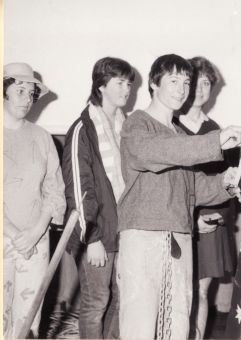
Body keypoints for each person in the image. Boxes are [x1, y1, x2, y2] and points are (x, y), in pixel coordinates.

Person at [116, 54, 241, 339]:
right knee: (140, 326)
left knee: (176, 325)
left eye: (186, 82)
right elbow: (159, 152)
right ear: (153, 84)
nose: (182, 88)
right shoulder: (137, 124)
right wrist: (217, 140)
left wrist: (226, 181)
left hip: (180, 237)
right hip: (143, 236)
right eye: (173, 80)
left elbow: (194, 187)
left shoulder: (178, 134)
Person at [62, 57, 135, 339]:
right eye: (120, 82)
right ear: (101, 86)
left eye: (129, 83)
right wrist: (91, 238)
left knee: (121, 298)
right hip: (96, 233)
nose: (126, 89)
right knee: (96, 303)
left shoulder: (125, 127)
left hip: (123, 230)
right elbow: (79, 188)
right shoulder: (83, 129)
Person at [3, 62, 66, 338]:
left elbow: (54, 189)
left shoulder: (42, 137)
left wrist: (37, 230)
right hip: (4, 239)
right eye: (19, 91)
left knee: (28, 322)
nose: (27, 99)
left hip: (35, 241)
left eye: (31, 93)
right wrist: (15, 235)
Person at [178, 56, 235, 339]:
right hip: (176, 220)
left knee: (201, 290)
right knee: (178, 291)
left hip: (209, 221)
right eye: (195, 82)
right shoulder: (170, 125)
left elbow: (223, 185)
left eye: (206, 83)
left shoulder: (217, 131)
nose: (200, 90)